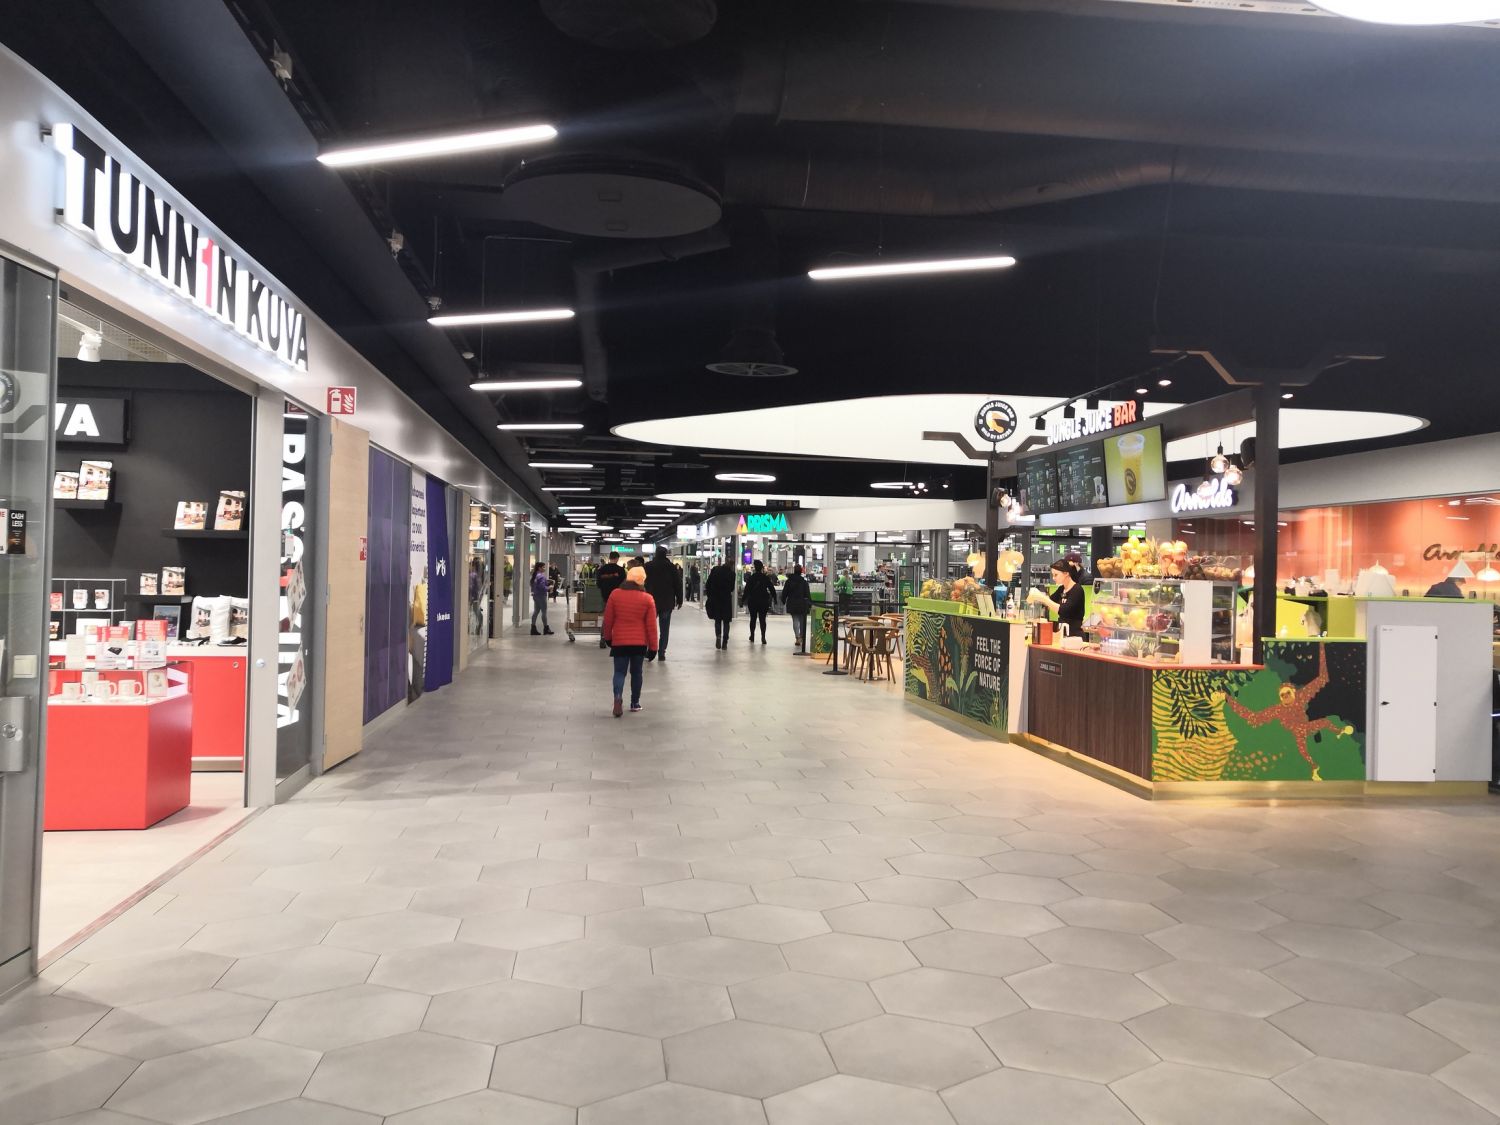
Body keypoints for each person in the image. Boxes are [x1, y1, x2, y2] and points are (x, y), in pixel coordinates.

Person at [602, 563, 658, 716]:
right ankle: (635, 703)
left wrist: (608, 637)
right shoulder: (648, 599)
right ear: (642, 581)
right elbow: (652, 626)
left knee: (619, 672)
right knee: (637, 672)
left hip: (620, 641)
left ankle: (617, 697)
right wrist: (654, 647)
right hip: (639, 643)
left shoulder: (615, 594)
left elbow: (608, 619)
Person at [645, 546, 685, 661]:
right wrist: (680, 599)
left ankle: (649, 650)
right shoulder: (671, 567)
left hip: (650, 601)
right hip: (667, 602)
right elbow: (678, 584)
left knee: (649, 627)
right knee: (665, 628)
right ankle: (661, 652)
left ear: (656, 553)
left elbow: (643, 583)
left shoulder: (648, 566)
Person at [1045, 558, 1086, 637]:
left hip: (1074, 635)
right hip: (1062, 632)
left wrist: (1043, 599)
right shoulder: (1061, 589)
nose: (1053, 578)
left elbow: (1064, 610)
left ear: (1066, 573)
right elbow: (1050, 601)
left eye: (1056, 575)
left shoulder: (1077, 590)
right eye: (1052, 575)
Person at [595, 551, 626, 649]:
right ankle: (618, 638)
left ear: (609, 558)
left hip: (606, 597)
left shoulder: (602, 569)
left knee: (607, 618)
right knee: (619, 618)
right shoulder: (621, 570)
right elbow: (624, 584)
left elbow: (598, 584)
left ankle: (603, 638)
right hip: (619, 597)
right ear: (617, 559)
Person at [704, 557, 737, 649]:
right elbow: (731, 588)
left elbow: (708, 584)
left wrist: (710, 595)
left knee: (718, 620)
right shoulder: (732, 574)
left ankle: (718, 637)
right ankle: (725, 642)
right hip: (726, 600)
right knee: (726, 622)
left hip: (716, 599)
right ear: (732, 565)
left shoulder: (715, 570)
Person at [742, 559, 777, 644]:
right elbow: (771, 588)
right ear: (761, 568)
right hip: (763, 601)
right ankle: (763, 637)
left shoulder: (751, 578)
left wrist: (742, 600)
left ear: (755, 568)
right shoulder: (765, 577)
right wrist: (775, 598)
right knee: (762, 619)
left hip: (753, 600)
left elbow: (746, 590)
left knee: (753, 619)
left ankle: (752, 636)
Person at [782, 564, 813, 651]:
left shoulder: (789, 581)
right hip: (802, 604)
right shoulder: (804, 582)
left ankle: (797, 637)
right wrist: (810, 604)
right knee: (802, 621)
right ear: (801, 572)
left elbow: (785, 592)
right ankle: (802, 637)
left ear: (794, 571)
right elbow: (807, 593)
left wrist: (783, 600)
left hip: (792, 603)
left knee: (795, 620)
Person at [529, 562, 553, 636]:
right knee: (544, 612)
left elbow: (534, 585)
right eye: (543, 567)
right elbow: (542, 587)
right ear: (539, 568)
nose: (545, 568)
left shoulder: (535, 575)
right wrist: (549, 587)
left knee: (536, 611)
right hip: (541, 596)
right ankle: (546, 628)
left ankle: (533, 628)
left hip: (536, 595)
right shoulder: (541, 576)